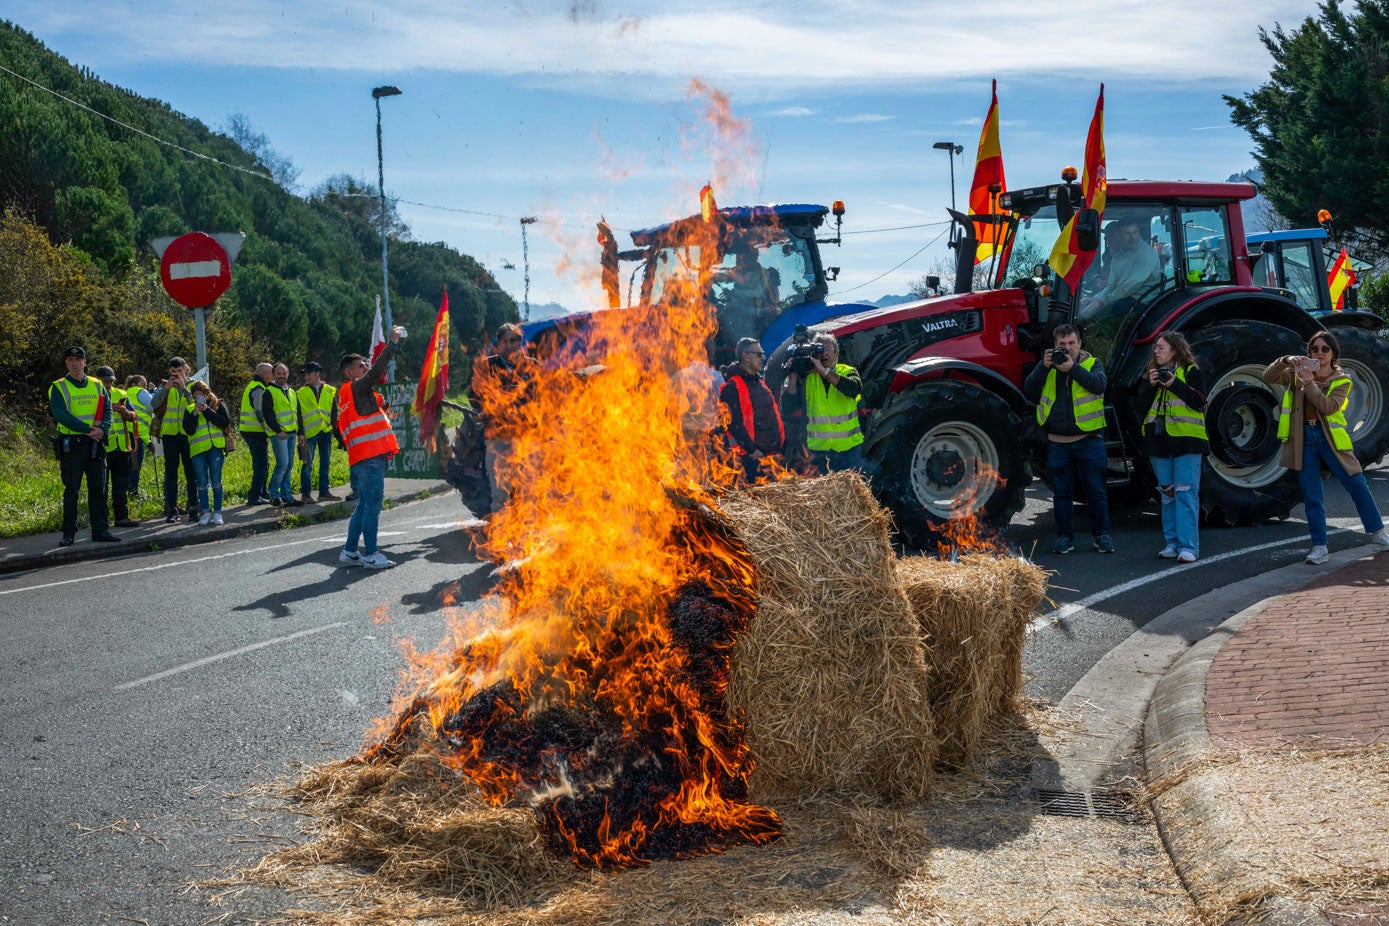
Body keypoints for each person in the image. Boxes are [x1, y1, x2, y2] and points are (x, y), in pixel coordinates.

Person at [1263, 331, 1389, 565]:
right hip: (1304, 440)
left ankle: (1378, 534)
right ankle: (1319, 547)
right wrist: (1285, 361)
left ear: (1333, 354)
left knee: (1357, 485)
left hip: (1331, 440)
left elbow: (1329, 407)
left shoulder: (1342, 379)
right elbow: (1268, 375)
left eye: (1324, 349)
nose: (1319, 353)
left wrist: (1309, 384)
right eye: (1314, 349)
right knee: (1312, 496)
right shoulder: (1296, 374)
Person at [1023, 324, 1114, 554]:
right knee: (1062, 494)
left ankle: (1102, 535)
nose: (1067, 348)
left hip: (1089, 440)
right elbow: (1029, 390)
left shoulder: (1093, 364)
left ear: (1080, 344)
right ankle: (1065, 538)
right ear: (1054, 346)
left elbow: (1099, 385)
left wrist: (1072, 368)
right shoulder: (1047, 367)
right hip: (1057, 443)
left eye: (1071, 343)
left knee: (1096, 492)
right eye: (1062, 345)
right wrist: (1043, 367)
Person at [1134, 332, 1207, 563]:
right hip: (1159, 442)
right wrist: (1151, 385)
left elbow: (1198, 402)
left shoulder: (1191, 372)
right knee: (1167, 495)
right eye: (1155, 347)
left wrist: (1173, 383)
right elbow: (1140, 407)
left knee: (1185, 493)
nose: (1156, 351)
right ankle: (1172, 544)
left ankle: (1189, 547)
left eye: (1161, 347)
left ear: (1175, 349)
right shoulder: (1152, 376)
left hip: (1186, 441)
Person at [337, 325, 404, 568]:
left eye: (364, 364)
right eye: (360, 366)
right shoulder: (357, 386)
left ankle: (350, 550)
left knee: (364, 505)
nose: (365, 367)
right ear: (349, 372)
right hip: (371, 457)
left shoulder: (345, 394)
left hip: (361, 457)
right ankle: (372, 554)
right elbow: (377, 371)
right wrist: (393, 344)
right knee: (373, 506)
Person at [48, 346, 120, 547]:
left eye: (78, 359)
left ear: (85, 363)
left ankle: (101, 530)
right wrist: (88, 429)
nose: (74, 363)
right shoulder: (58, 386)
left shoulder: (98, 385)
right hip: (73, 445)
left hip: (95, 444)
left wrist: (103, 429)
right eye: (70, 359)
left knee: (99, 489)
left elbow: (108, 411)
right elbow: (61, 415)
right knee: (72, 489)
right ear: (66, 363)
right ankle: (68, 532)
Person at [469, 323, 541, 514]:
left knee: (529, 494)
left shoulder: (533, 366)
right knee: (500, 495)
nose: (511, 345)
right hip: (498, 439)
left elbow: (545, 398)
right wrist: (489, 405)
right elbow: (473, 397)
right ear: (499, 344)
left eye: (515, 340)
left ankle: (528, 542)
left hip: (528, 439)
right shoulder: (486, 366)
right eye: (506, 341)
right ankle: (501, 542)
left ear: (521, 343)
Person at [782, 332, 864, 474]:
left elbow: (853, 389)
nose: (824, 354)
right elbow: (788, 407)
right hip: (818, 451)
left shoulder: (848, 371)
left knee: (852, 492)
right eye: (819, 350)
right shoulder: (808, 377)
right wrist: (793, 376)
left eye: (827, 350)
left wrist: (824, 371)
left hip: (848, 449)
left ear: (836, 353)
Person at [719, 337, 784, 482]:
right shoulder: (732, 387)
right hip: (750, 459)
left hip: (770, 455)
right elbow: (733, 423)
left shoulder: (760, 383)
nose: (763, 358)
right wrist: (753, 450)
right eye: (759, 354)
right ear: (745, 356)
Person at [151, 356, 198, 523]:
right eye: (173, 372)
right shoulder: (165, 386)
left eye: (179, 371)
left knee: (191, 472)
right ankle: (172, 509)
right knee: (171, 473)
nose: (176, 375)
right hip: (170, 434)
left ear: (186, 370)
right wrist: (166, 388)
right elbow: (154, 403)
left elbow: (197, 404)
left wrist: (184, 388)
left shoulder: (194, 386)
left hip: (188, 435)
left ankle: (194, 507)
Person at [1081, 217, 1161, 313]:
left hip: (1143, 302)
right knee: (1087, 310)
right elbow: (1112, 286)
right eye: (1127, 234)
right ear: (1120, 236)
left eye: (1135, 232)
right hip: (1125, 297)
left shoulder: (1146, 254)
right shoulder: (1118, 257)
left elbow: (1131, 286)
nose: (1132, 238)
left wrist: (1102, 301)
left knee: (1106, 312)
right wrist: (1096, 298)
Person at [94, 366, 140, 528]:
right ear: (97, 380)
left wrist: (125, 412)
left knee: (121, 485)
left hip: (121, 446)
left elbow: (134, 417)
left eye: (110, 381)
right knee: (101, 487)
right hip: (102, 447)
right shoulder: (91, 395)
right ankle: (102, 520)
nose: (108, 384)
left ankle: (121, 517)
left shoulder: (121, 393)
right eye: (105, 381)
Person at [183, 380, 230, 526]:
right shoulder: (190, 409)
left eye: (202, 395)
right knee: (202, 482)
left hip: (215, 448)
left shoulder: (217, 404)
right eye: (196, 396)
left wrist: (207, 410)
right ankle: (205, 512)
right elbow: (188, 430)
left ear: (207, 394)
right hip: (198, 450)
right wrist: (195, 413)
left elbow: (224, 422)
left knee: (216, 481)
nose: (200, 399)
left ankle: (217, 512)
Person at [260, 362, 303, 508]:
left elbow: (298, 413)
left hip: (291, 433)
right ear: (273, 375)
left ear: (288, 374)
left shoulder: (291, 392)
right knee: (283, 463)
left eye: (284, 373)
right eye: (279, 374)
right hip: (279, 434)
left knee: (289, 465)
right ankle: (273, 494)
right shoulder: (269, 391)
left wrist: (301, 432)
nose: (282, 376)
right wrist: (278, 430)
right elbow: (268, 414)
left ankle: (287, 496)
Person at [296, 361, 339, 503]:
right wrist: (300, 433)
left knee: (325, 462)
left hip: (326, 431)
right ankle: (306, 494)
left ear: (317, 373)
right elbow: (298, 414)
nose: (306, 376)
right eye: (305, 374)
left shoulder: (329, 390)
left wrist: (335, 429)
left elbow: (333, 411)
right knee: (307, 463)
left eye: (309, 373)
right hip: (309, 433)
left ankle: (324, 492)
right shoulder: (300, 393)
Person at [239, 362, 273, 505]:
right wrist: (268, 428)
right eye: (271, 372)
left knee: (263, 463)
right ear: (264, 374)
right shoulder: (258, 388)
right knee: (261, 465)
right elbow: (259, 411)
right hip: (255, 432)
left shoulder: (255, 385)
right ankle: (254, 496)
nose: (273, 375)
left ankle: (262, 492)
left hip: (251, 431)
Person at [123, 374, 154, 498]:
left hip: (125, 434)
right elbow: (153, 406)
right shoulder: (141, 392)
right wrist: (151, 391)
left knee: (127, 466)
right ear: (134, 385)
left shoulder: (124, 393)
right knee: (135, 466)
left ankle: (126, 493)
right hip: (136, 435)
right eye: (144, 384)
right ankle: (133, 494)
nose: (145, 387)